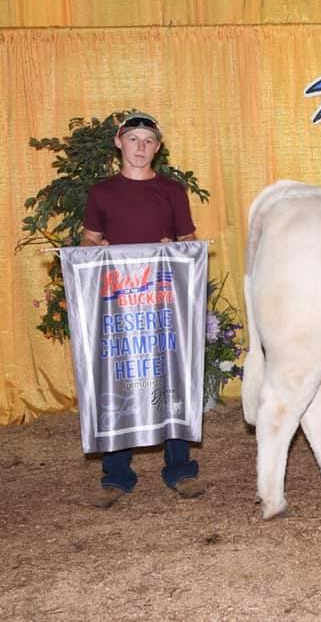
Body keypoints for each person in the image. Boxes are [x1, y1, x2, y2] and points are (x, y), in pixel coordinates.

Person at [80, 112, 206, 506]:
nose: (140, 147)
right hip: (119, 305)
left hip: (163, 301)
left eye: (148, 140)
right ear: (119, 142)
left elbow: (189, 242)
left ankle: (180, 469)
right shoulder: (102, 193)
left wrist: (177, 247)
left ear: (157, 146)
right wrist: (92, 251)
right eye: (133, 139)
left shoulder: (171, 191)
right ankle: (116, 475)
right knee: (117, 376)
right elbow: (87, 241)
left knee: (171, 372)